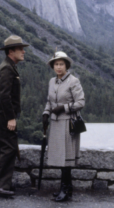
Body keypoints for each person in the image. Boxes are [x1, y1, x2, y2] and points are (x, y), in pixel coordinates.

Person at [42, 51, 85, 202]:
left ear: (66, 65)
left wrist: (63, 108)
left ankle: (65, 189)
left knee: (65, 158)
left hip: (68, 122)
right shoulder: (52, 81)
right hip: (55, 123)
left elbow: (81, 102)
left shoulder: (73, 81)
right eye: (56, 64)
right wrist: (46, 113)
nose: (58, 67)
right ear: (53, 66)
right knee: (61, 158)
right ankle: (67, 188)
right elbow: (49, 100)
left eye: (61, 64)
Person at [0, 35, 29, 196]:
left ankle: (0, 184)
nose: (23, 51)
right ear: (10, 51)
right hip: (4, 115)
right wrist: (11, 118)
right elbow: (5, 96)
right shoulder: (7, 68)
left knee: (4, 148)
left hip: (1, 114)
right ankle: (0, 185)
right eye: (20, 49)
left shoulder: (9, 66)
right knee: (9, 148)